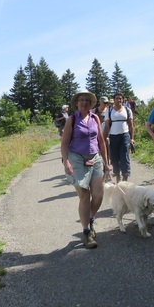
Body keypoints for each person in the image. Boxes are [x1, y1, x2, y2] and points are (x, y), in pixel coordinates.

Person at [60, 90, 110, 249]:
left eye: (87, 100)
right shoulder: (72, 120)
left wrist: (106, 162)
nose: (84, 102)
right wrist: (66, 162)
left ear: (91, 103)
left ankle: (89, 218)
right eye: (81, 100)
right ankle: (87, 231)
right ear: (76, 103)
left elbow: (101, 141)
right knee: (85, 195)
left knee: (98, 195)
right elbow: (64, 143)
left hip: (94, 157)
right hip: (77, 158)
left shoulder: (95, 117)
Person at [103, 92, 134, 183]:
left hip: (125, 135)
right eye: (117, 98)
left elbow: (131, 126)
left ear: (123, 99)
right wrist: (103, 139)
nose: (119, 100)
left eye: (120, 98)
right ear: (114, 100)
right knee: (114, 158)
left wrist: (132, 138)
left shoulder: (127, 110)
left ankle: (125, 178)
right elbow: (107, 126)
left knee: (124, 156)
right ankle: (117, 176)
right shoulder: (109, 111)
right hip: (113, 137)